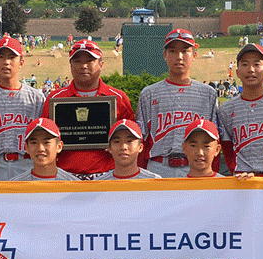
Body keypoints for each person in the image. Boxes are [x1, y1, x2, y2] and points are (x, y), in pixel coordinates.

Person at [41, 40, 134, 179]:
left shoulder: (118, 98)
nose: (83, 66)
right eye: (77, 61)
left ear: (101, 64)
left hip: (107, 175)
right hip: (64, 176)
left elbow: (133, 141)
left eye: (90, 60)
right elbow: (44, 139)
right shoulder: (55, 99)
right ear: (70, 65)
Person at [136, 29, 217, 178]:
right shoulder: (149, 93)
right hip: (158, 167)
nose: (179, 57)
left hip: (196, 167)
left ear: (194, 55)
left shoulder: (208, 94)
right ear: (165, 55)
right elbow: (140, 140)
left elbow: (214, 140)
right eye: (172, 51)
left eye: (185, 51)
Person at [217, 44, 263, 176]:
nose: (251, 70)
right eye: (245, 64)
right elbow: (227, 148)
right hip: (242, 179)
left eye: (257, 64)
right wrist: (235, 170)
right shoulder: (226, 109)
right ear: (237, 72)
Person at [0, 36, 45, 180]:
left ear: (21, 62)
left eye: (11, 57)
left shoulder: (36, 98)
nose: (6, 62)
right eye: (1, 57)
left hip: (26, 162)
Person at [11, 118, 78, 181]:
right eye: (34, 143)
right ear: (26, 148)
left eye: (46, 142)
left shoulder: (75, 186)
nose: (40, 149)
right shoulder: (15, 186)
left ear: (59, 146)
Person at [95, 119, 161, 180]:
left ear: (140, 147)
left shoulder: (154, 181)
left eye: (129, 141)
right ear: (109, 148)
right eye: (117, 141)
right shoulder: (98, 184)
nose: (123, 147)